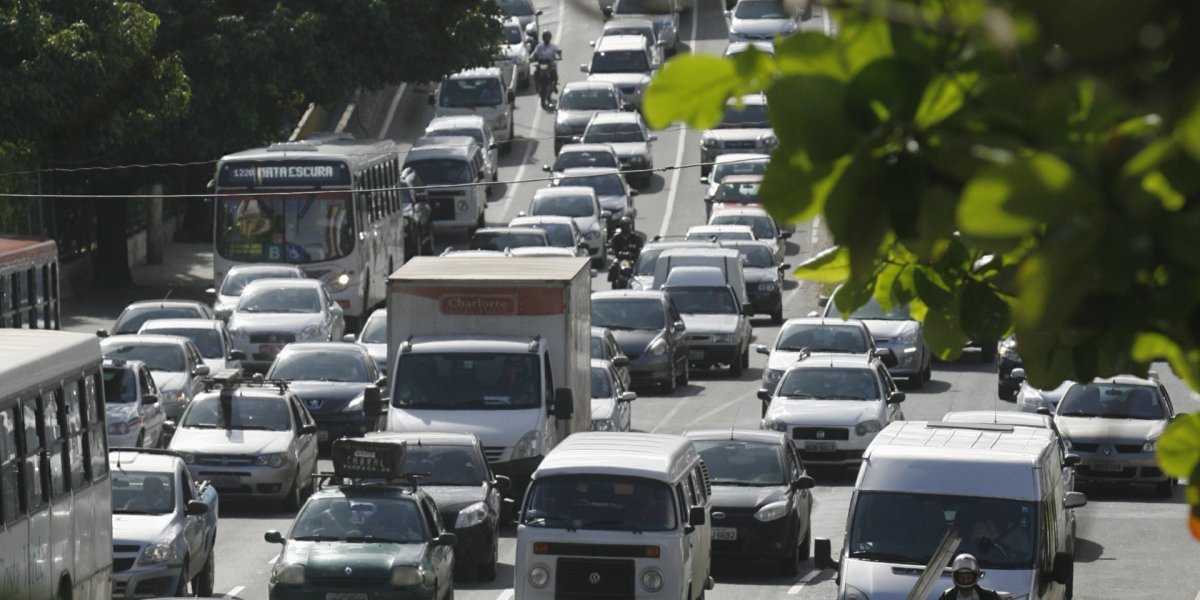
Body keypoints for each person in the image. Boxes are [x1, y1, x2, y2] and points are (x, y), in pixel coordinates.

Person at [938, 553, 1004, 600]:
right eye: (962, 577)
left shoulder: (990, 596)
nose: (965, 580)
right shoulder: (947, 596)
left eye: (969, 577)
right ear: (955, 577)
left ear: (975, 576)